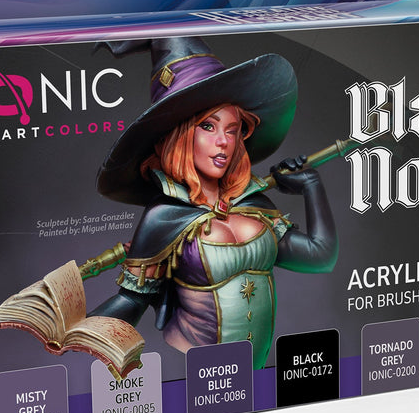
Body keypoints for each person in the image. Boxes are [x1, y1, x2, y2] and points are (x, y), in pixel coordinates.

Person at [90, 37, 338, 369]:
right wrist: (80, 331)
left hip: (256, 370)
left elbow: (320, 257)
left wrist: (311, 186)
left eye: (232, 130)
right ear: (180, 135)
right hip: (193, 367)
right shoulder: (165, 217)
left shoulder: (254, 203)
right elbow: (132, 301)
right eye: (208, 126)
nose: (223, 142)